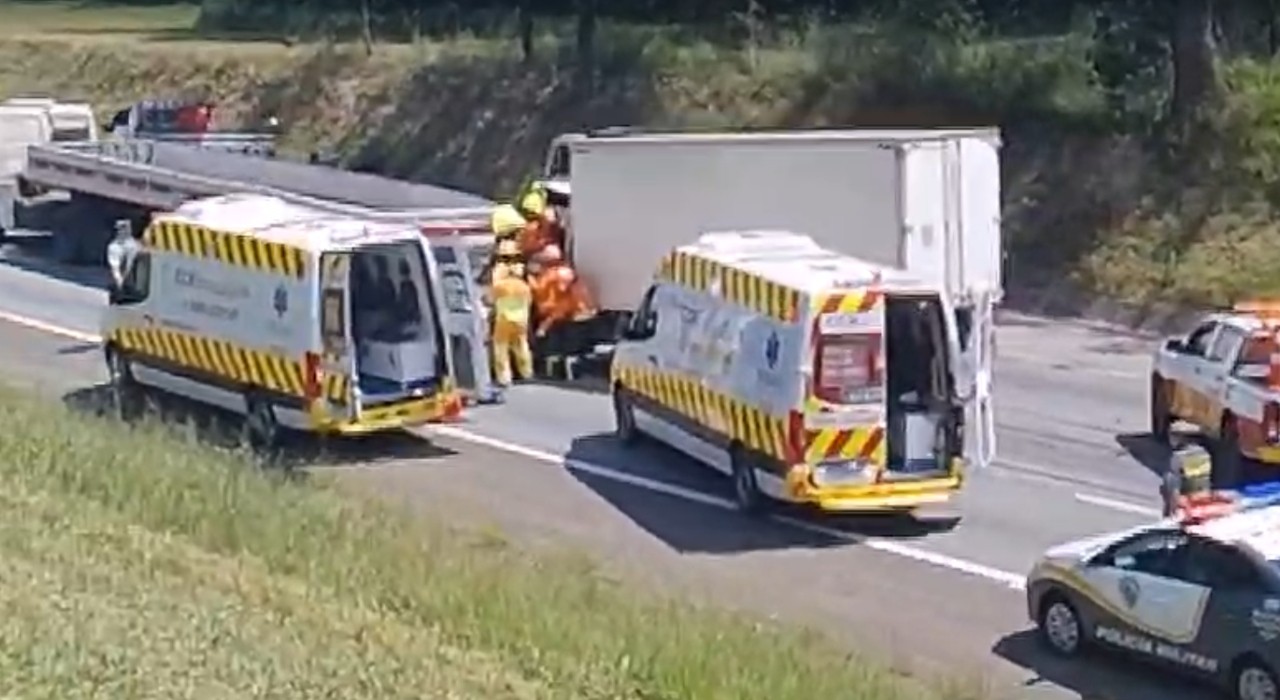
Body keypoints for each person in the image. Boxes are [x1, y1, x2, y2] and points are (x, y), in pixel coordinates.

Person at [488, 262, 533, 387]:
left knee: (501, 349)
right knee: (522, 346)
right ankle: (526, 372)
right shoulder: (524, 286)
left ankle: (504, 377)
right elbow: (529, 302)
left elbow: (490, 300)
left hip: (504, 320)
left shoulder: (500, 286)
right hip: (521, 321)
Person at [106, 219, 140, 289]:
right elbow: (115, 267)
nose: (122, 232)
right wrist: (120, 280)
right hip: (123, 284)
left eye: (125, 229)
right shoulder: (113, 247)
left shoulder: (135, 245)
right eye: (120, 230)